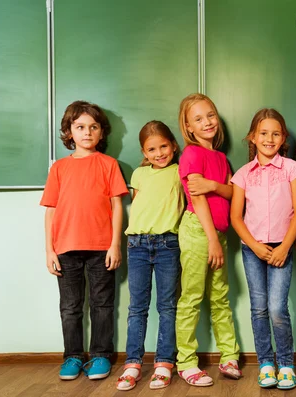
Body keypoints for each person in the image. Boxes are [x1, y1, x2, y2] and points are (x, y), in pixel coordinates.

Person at [41, 100, 128, 380]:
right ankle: (73, 356)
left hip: (101, 247)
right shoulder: (59, 168)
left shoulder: (109, 164)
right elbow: (51, 211)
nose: (87, 132)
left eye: (93, 127)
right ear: (69, 132)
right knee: (70, 306)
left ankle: (101, 355)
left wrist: (115, 244)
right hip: (65, 248)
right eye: (80, 127)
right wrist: (49, 250)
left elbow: (117, 206)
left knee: (102, 304)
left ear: (102, 133)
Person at [230, 108, 296, 389]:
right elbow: (236, 217)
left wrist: (285, 247)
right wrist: (255, 246)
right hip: (253, 249)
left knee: (277, 308)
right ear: (252, 136)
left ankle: (285, 362)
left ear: (283, 137)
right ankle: (265, 363)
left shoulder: (293, 169)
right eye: (263, 133)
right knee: (259, 308)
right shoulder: (243, 174)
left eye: (275, 133)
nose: (269, 138)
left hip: (282, 248)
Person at [175, 93, 241, 387]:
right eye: (198, 119)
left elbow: (232, 193)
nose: (207, 122)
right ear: (188, 127)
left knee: (220, 297)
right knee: (191, 298)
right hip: (199, 232)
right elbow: (197, 199)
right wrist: (212, 240)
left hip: (219, 235)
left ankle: (229, 355)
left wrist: (217, 184)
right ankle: (186, 362)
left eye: (210, 115)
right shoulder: (191, 154)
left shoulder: (221, 158)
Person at [116, 121, 184, 391]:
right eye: (152, 149)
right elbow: (139, 204)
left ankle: (164, 362)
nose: (159, 153)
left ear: (173, 146)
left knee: (167, 306)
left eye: (164, 146)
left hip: (169, 244)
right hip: (138, 245)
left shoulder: (180, 172)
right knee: (137, 307)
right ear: (144, 152)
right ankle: (133, 362)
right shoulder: (139, 175)